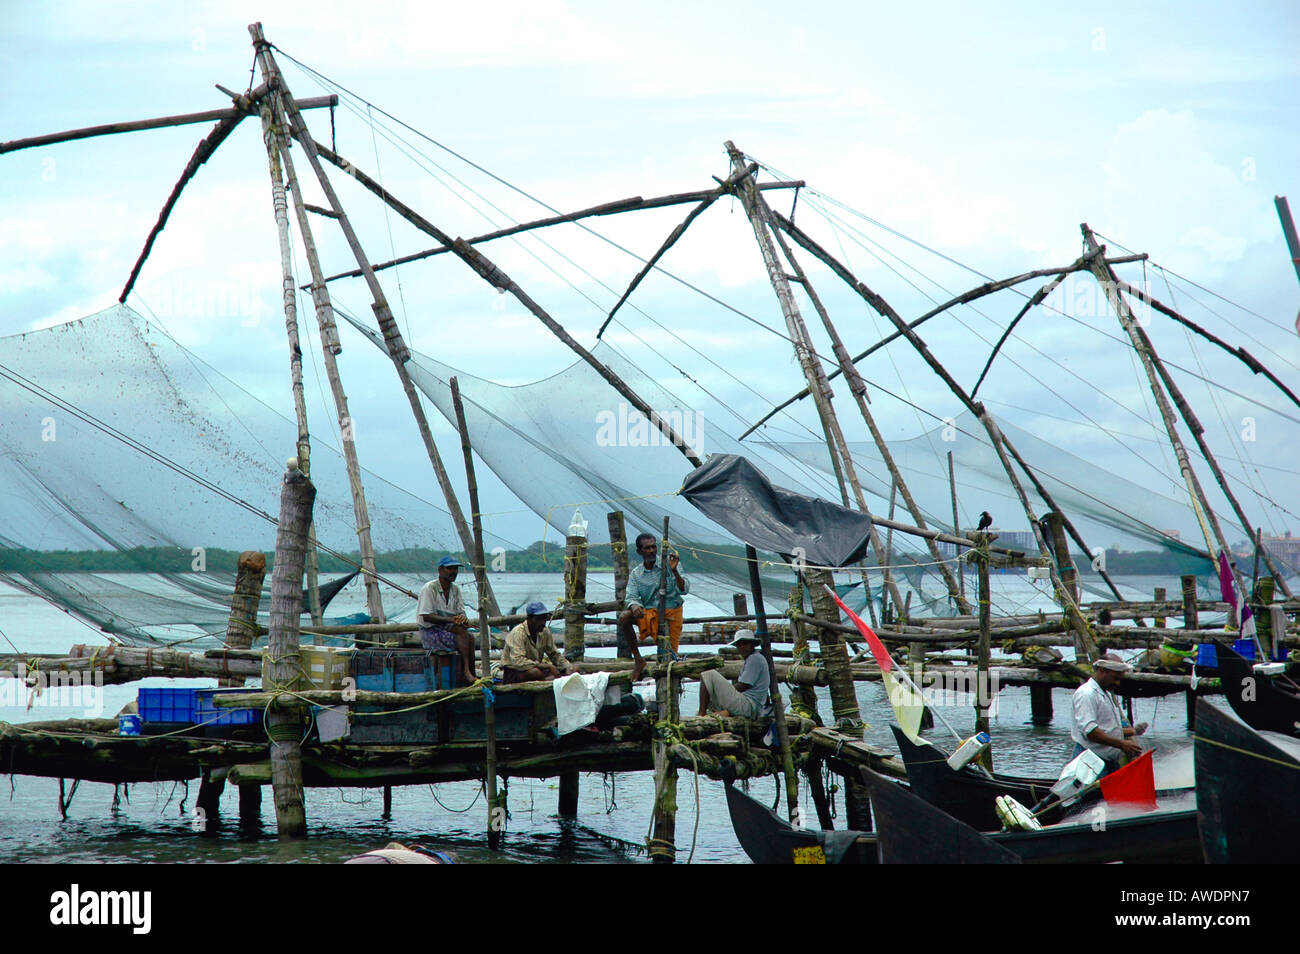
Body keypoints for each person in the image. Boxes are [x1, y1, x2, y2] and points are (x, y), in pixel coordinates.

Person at [617, 532, 688, 675]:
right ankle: (638, 659)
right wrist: (635, 605)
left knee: (670, 657)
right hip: (650, 613)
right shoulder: (637, 574)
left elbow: (684, 589)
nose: (651, 551)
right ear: (639, 551)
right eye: (647, 548)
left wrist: (674, 572)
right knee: (624, 617)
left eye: (653, 547)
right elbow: (631, 596)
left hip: (671, 613)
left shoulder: (670, 563)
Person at [1070, 653, 1147, 772]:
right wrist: (1121, 744)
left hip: (1105, 762)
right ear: (1102, 671)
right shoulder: (1086, 693)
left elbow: (1106, 728)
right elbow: (1090, 732)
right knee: (1093, 791)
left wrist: (1132, 732)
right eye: (1115, 678)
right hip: (1090, 763)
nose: (1117, 683)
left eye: (1119, 679)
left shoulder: (1105, 694)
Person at [417, 555, 475, 686]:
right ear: (440, 570)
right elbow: (426, 616)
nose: (454, 572)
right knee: (462, 634)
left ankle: (470, 673)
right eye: (450, 568)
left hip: (447, 629)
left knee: (470, 637)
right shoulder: (429, 588)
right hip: (430, 632)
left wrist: (462, 618)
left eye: (455, 569)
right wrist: (452, 620)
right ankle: (466, 672)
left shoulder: (455, 589)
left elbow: (461, 613)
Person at [697, 629, 770, 720]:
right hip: (752, 708)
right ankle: (723, 712)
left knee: (708, 674)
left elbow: (743, 686)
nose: (742, 647)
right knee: (711, 696)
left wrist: (724, 691)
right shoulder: (754, 658)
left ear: (752, 644)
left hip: (748, 706)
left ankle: (701, 715)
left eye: (745, 643)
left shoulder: (754, 659)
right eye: (739, 644)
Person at [500, 601, 575, 684]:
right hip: (515, 672)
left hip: (536, 668)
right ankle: (546, 688)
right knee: (535, 673)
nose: (542, 622)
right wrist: (547, 666)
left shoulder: (544, 631)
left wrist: (567, 667)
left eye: (544, 618)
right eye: (539, 619)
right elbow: (519, 661)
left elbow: (554, 654)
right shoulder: (518, 633)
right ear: (529, 619)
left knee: (573, 669)